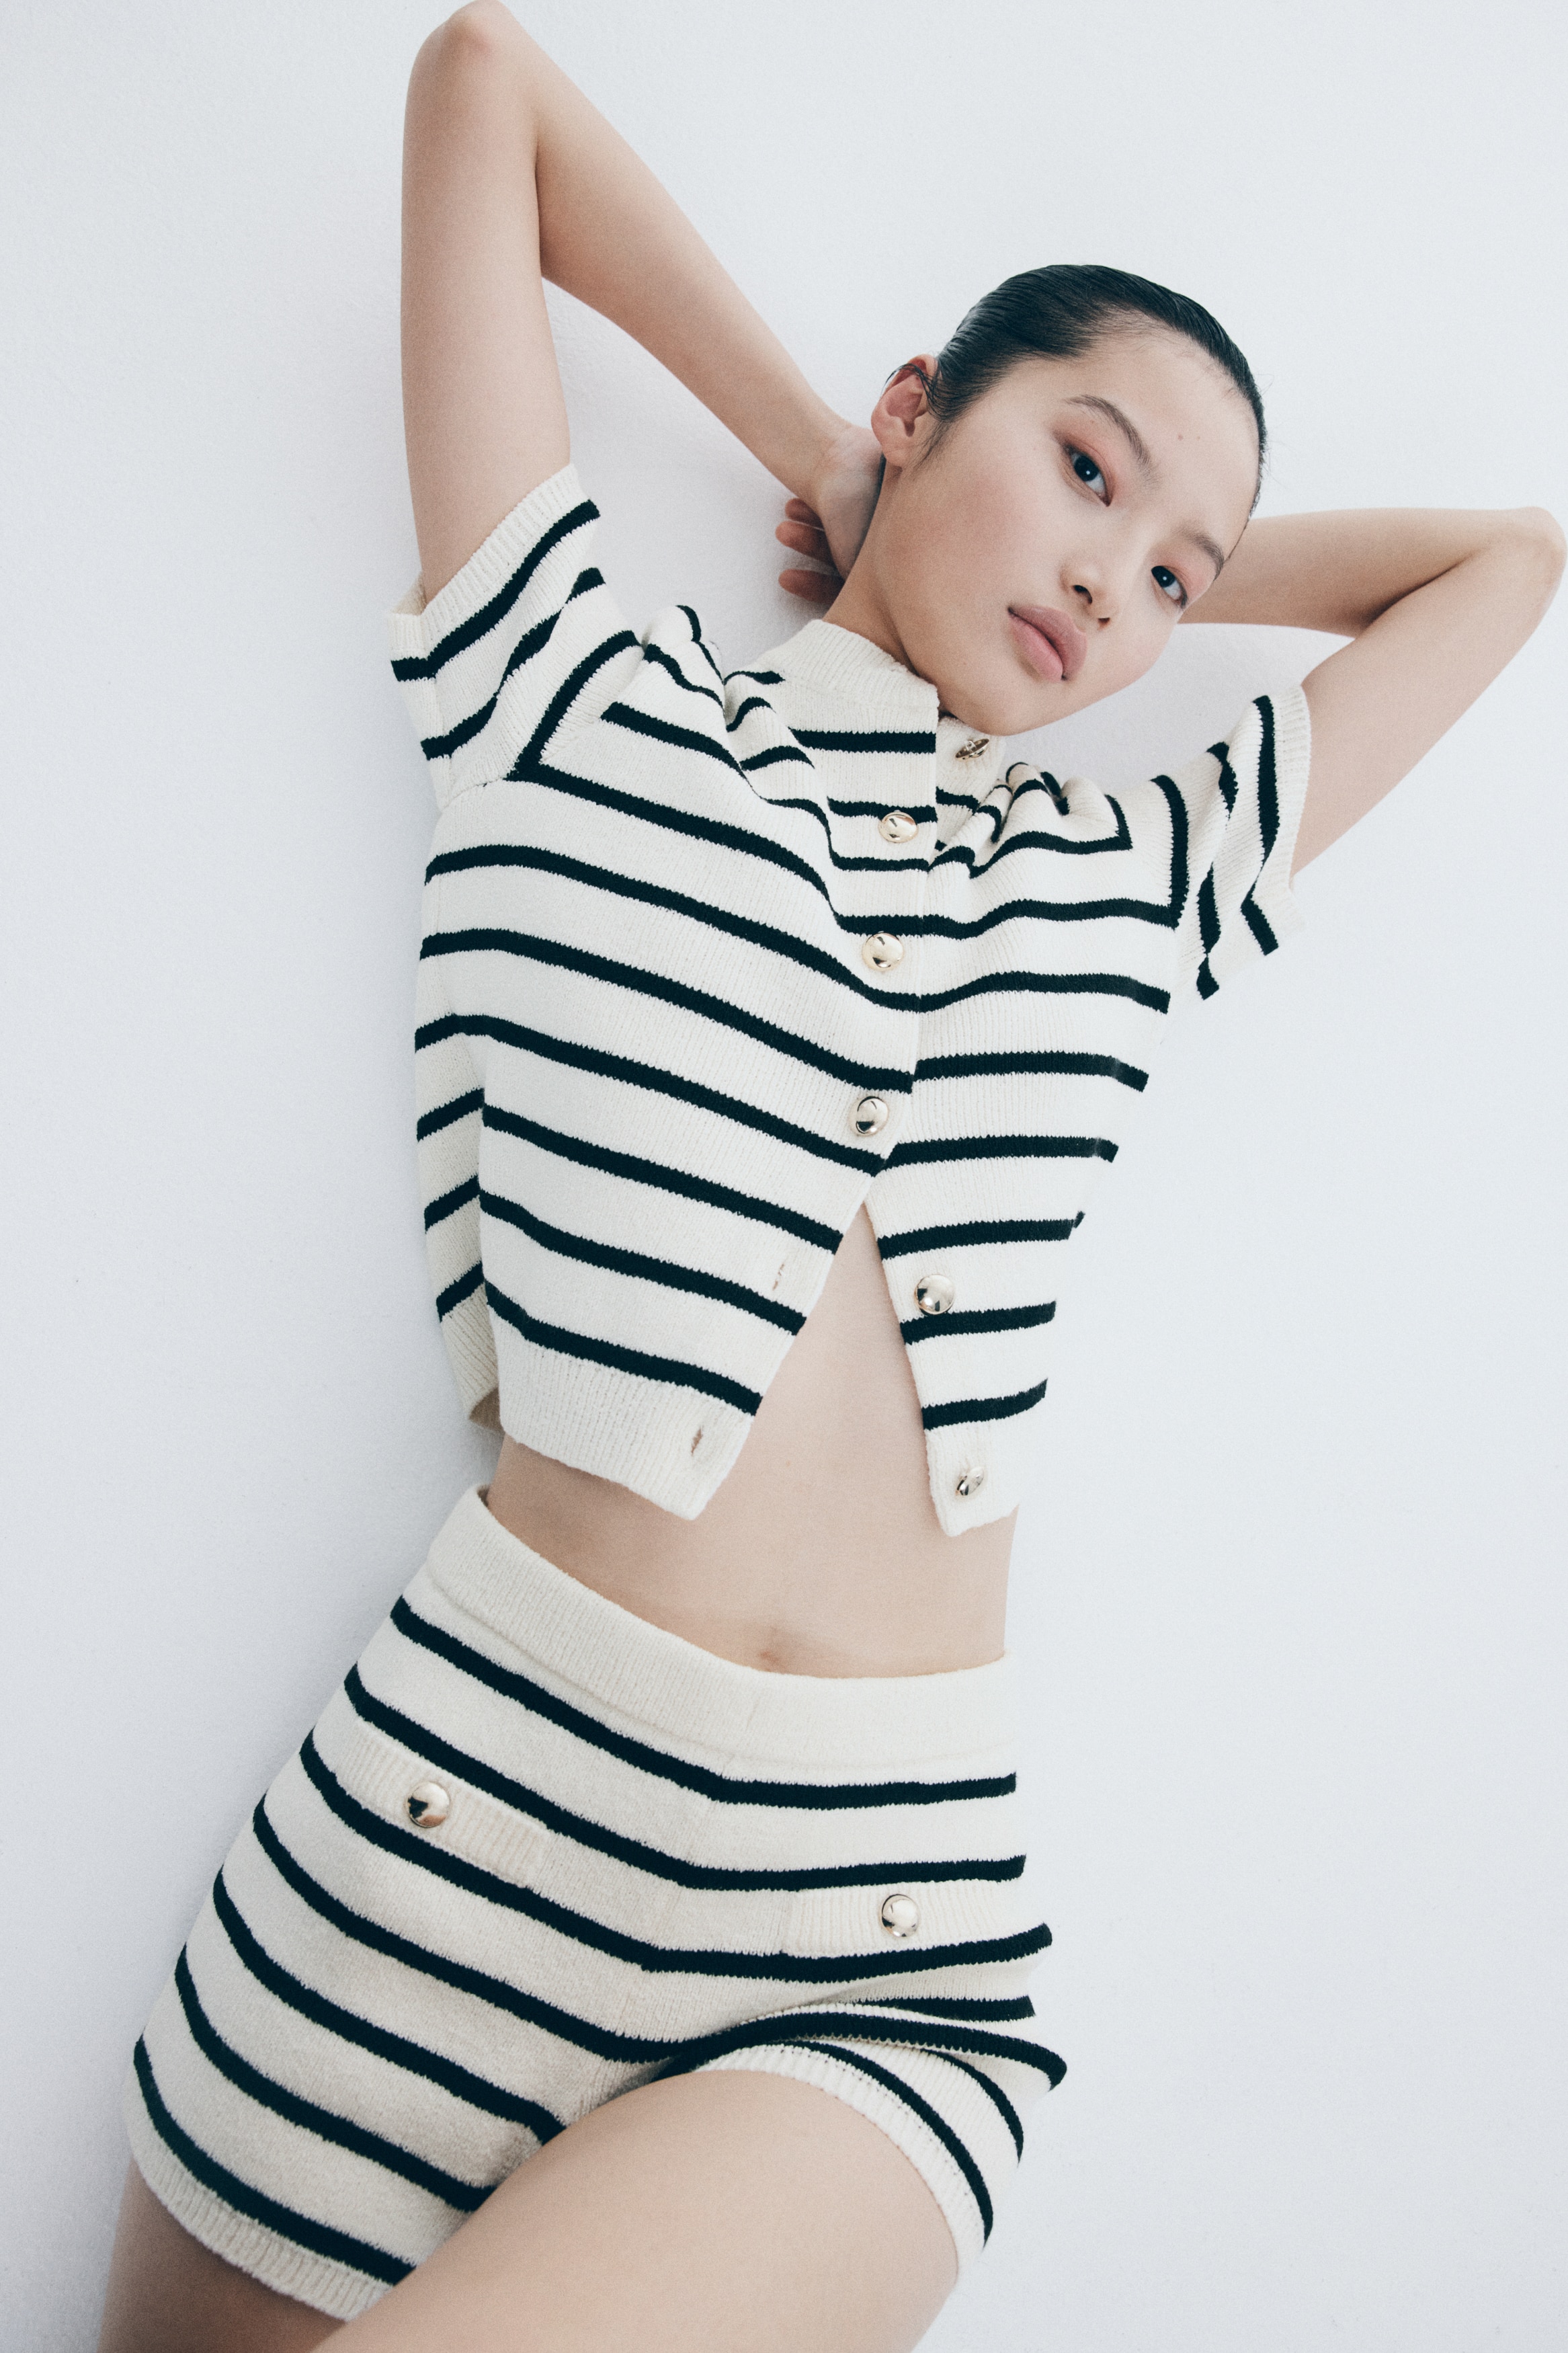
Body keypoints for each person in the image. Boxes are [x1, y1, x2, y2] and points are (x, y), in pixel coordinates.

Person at [95, 5, 1563, 2348]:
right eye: (1082, 467)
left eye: (1172, 577)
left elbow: (1511, 560)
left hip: (874, 1942)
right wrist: (828, 454)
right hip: (431, 1847)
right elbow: (485, 87)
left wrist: (1149, 548)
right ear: (919, 403)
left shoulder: (1123, 888)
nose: (1115, 585)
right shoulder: (571, 701)